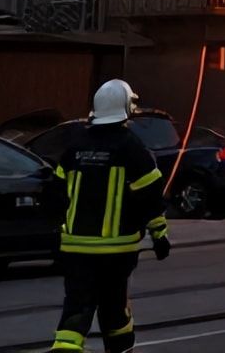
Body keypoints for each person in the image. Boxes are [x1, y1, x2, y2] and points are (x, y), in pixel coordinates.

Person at [46, 79, 170, 353]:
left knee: (76, 305)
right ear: (127, 109)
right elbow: (150, 198)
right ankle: (121, 349)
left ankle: (65, 346)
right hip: (117, 250)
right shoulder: (132, 148)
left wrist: (58, 231)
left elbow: (56, 195)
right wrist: (160, 234)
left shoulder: (75, 148)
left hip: (76, 247)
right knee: (114, 308)